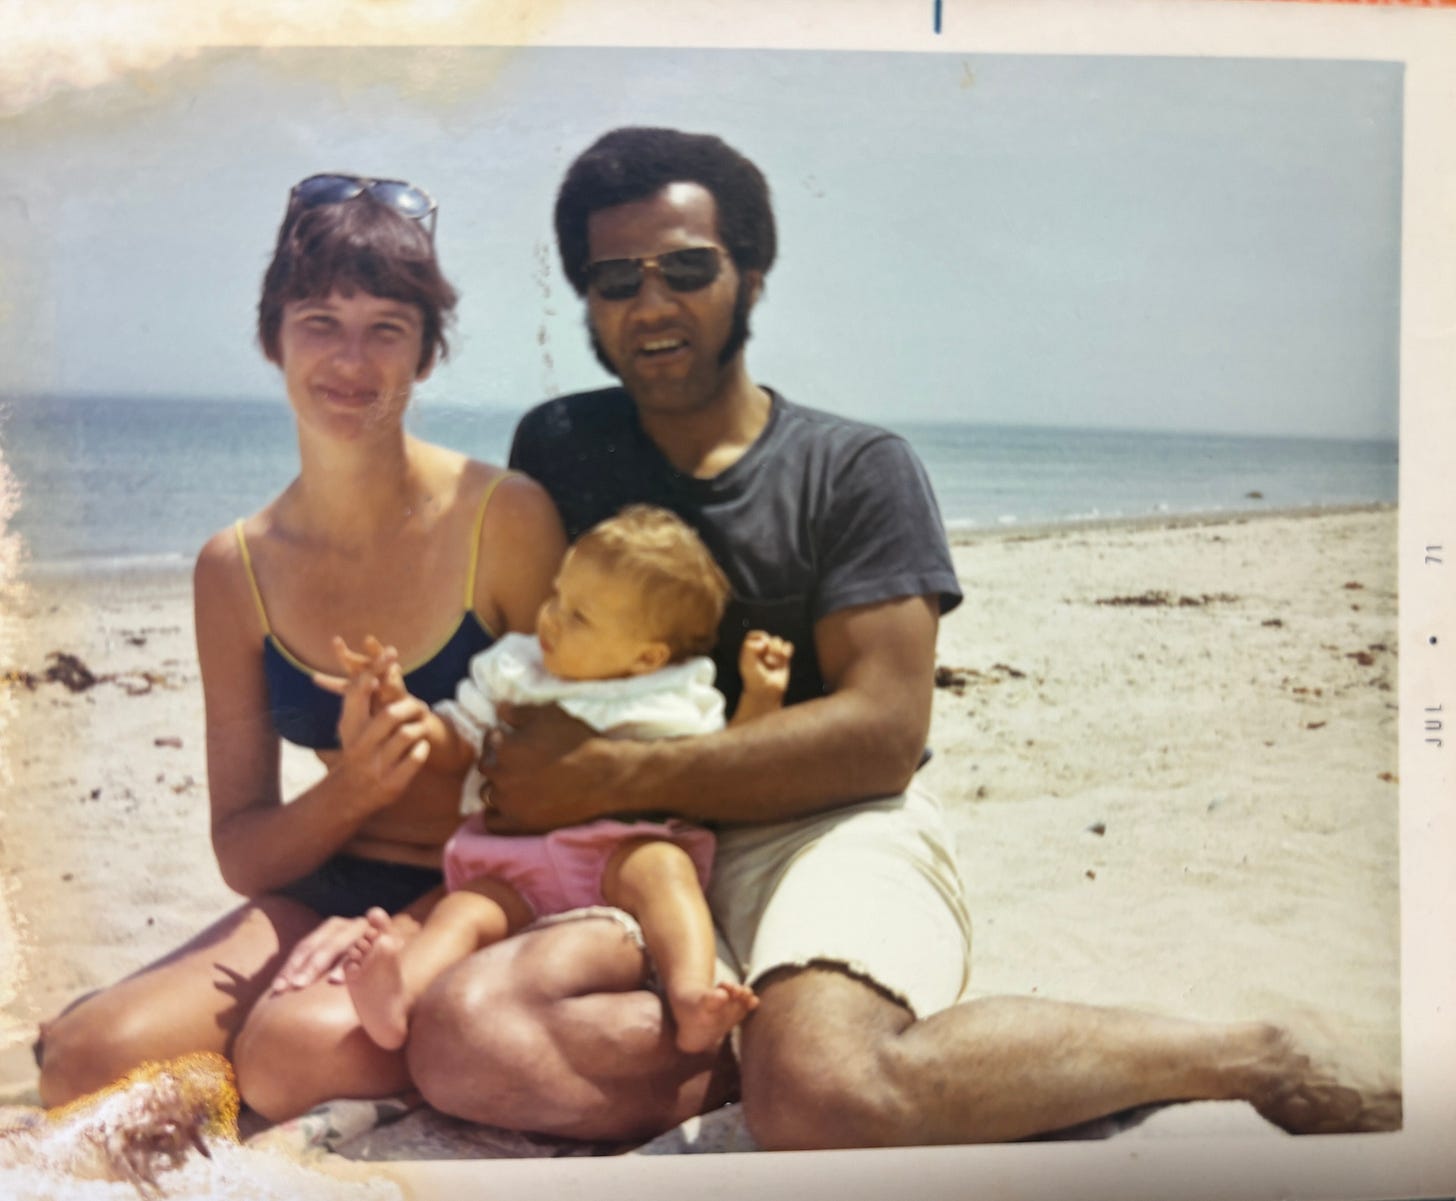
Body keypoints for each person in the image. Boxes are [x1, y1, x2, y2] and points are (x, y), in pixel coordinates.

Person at [392, 126, 1401, 1148]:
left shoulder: (854, 469)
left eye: (687, 269)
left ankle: (1246, 1050)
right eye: (615, 280)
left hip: (814, 826)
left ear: (750, 274)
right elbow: (516, 673)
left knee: (825, 1094)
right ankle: (760, 1049)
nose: (650, 304)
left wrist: (606, 771)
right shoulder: (559, 445)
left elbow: (881, 731)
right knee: (456, 1046)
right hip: (611, 850)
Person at [33, 173, 568, 1123]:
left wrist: (430, 778)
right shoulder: (234, 567)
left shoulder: (505, 520)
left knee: (291, 1048)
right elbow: (244, 849)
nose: (350, 360)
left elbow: (579, 780)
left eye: (386, 328)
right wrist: (355, 787)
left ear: (429, 352)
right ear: (272, 337)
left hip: (485, 889)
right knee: (82, 1059)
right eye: (319, 320)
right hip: (324, 884)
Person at [331, 505, 786, 1057]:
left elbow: (723, 765)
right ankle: (397, 997)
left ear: (647, 656)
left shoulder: (673, 692)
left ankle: (692, 995)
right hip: (516, 862)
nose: (551, 617)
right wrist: (405, 709)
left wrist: (760, 698)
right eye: (557, 596)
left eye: (580, 617)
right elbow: (458, 741)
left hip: (620, 853)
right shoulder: (515, 668)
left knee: (666, 871)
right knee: (466, 910)